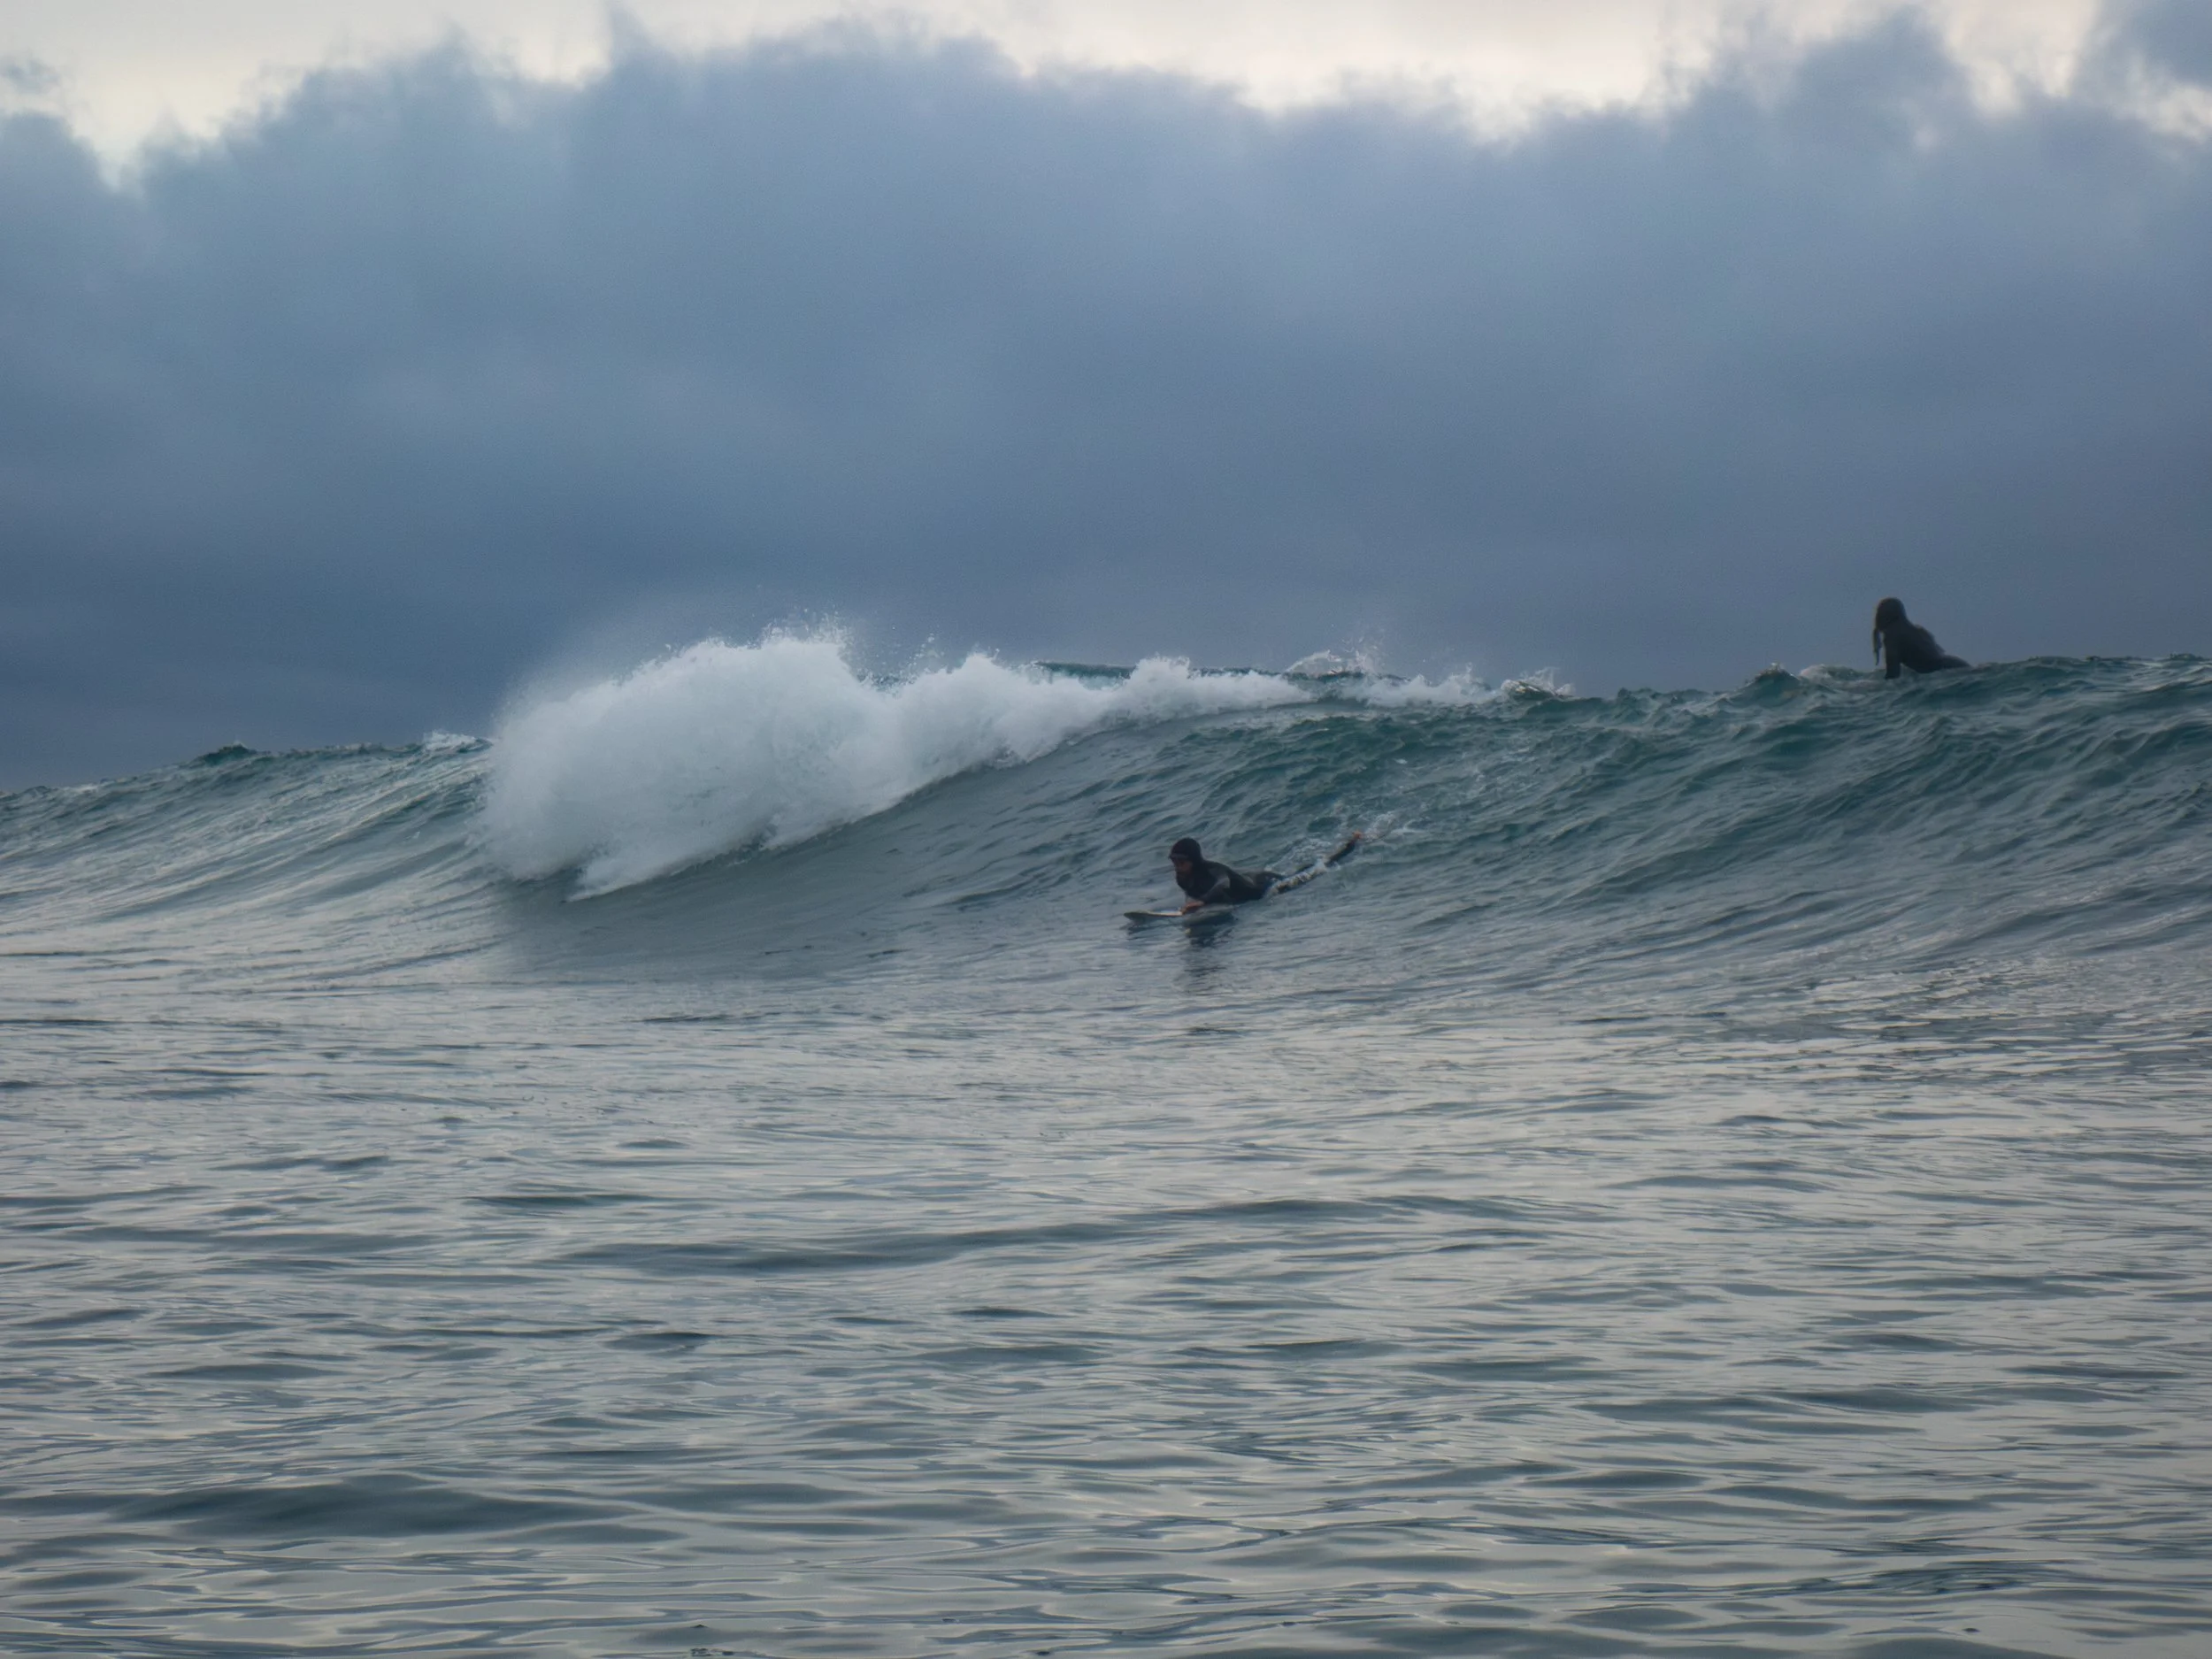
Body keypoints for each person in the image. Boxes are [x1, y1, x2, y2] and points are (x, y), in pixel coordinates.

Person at [1169, 837, 1281, 912]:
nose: (1177, 866)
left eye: (1181, 861)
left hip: (1260, 884)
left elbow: (1223, 883)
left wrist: (1202, 902)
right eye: (1174, 861)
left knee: (1293, 882)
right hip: (1242, 878)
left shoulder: (1212, 870)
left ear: (1193, 860)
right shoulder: (1182, 878)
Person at [1872, 597, 1969, 680]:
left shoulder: (1892, 637)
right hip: (1956, 664)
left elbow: (1893, 674)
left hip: (1942, 672)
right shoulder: (1918, 630)